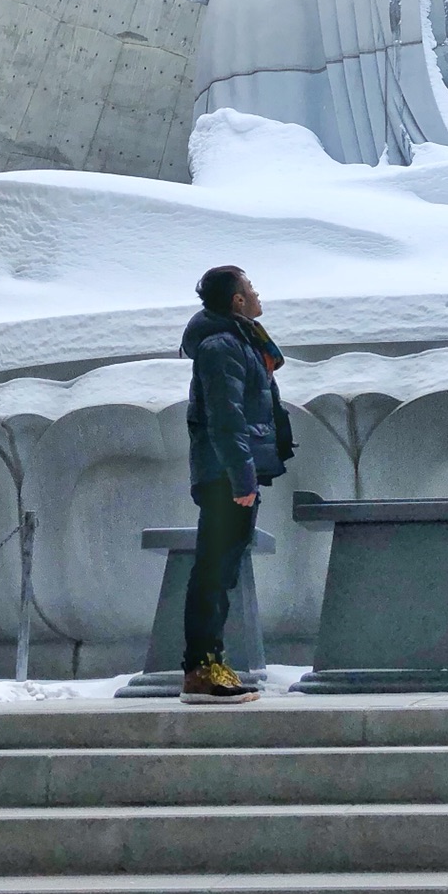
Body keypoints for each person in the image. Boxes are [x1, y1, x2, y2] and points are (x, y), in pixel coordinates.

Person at [175, 264, 294, 703]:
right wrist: (241, 477)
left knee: (221, 573)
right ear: (237, 300)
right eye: (250, 287)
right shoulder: (223, 346)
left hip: (231, 473)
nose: (258, 293)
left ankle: (209, 665)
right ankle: (200, 670)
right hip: (225, 475)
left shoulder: (240, 341)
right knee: (213, 572)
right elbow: (226, 418)